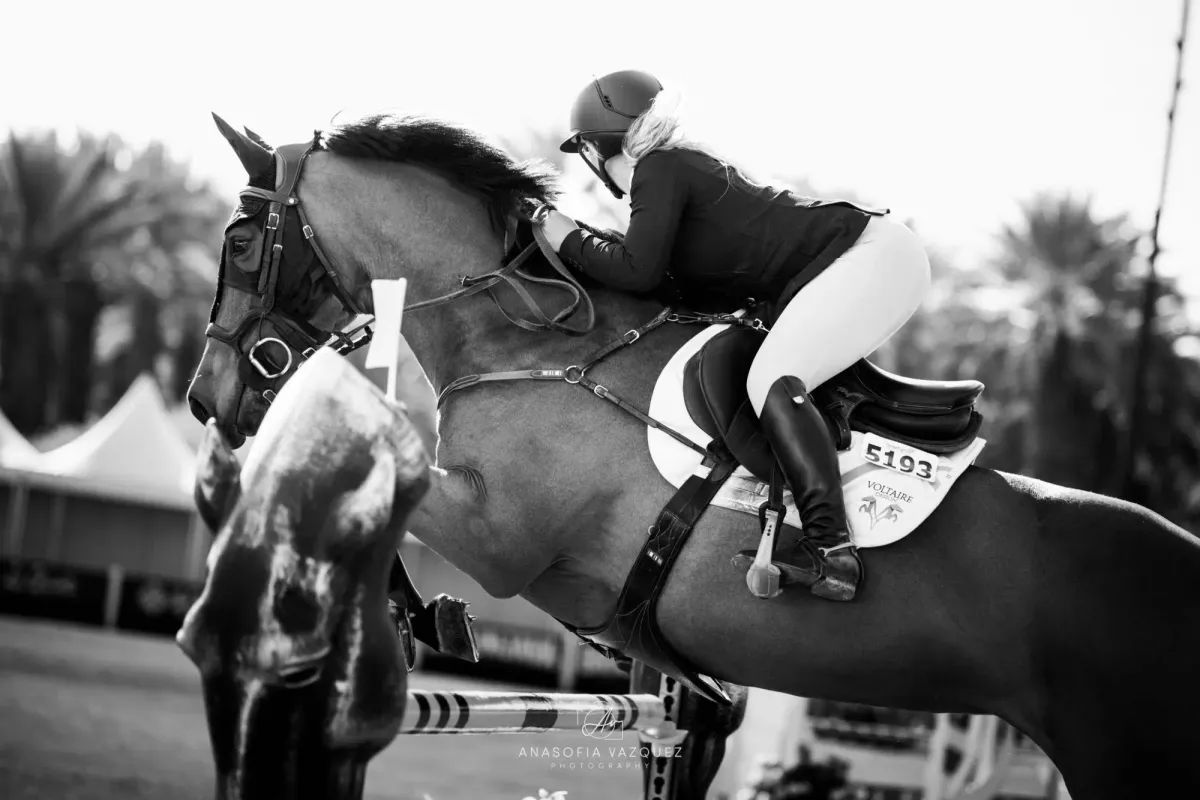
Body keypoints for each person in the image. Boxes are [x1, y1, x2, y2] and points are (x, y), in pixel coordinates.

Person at [534, 70, 932, 602]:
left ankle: (831, 552)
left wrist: (567, 234)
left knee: (773, 377)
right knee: (753, 369)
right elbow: (660, 287)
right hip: (866, 260)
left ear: (598, 142)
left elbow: (635, 272)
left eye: (583, 150)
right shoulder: (674, 174)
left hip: (871, 257)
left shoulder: (661, 167)